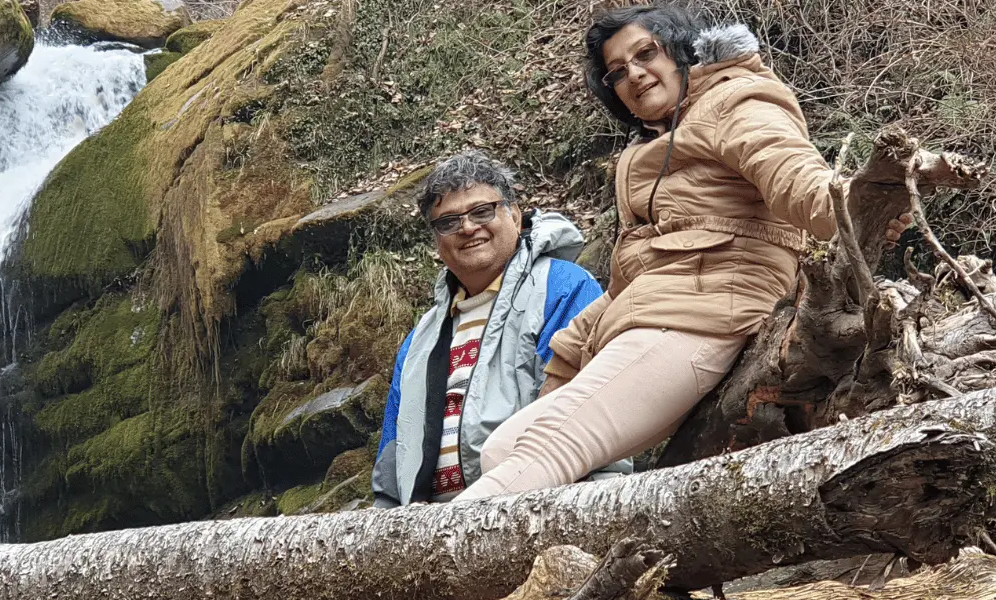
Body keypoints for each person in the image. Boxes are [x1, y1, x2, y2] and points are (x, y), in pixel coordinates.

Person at [455, 5, 920, 501]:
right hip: (651, 318)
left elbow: (793, 176)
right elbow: (625, 283)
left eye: (645, 53)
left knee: (549, 447)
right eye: (616, 72)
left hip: (709, 311)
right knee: (501, 448)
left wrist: (864, 199)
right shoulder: (645, 151)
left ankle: (430, 567)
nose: (633, 73)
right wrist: (566, 368)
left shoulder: (735, 99)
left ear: (680, 50)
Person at [370, 150, 623, 507]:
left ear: (515, 215)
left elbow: (583, 406)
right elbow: (394, 449)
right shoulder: (419, 340)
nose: (468, 228)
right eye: (449, 221)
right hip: (429, 528)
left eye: (482, 211)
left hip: (545, 502)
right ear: (437, 240)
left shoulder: (562, 287)